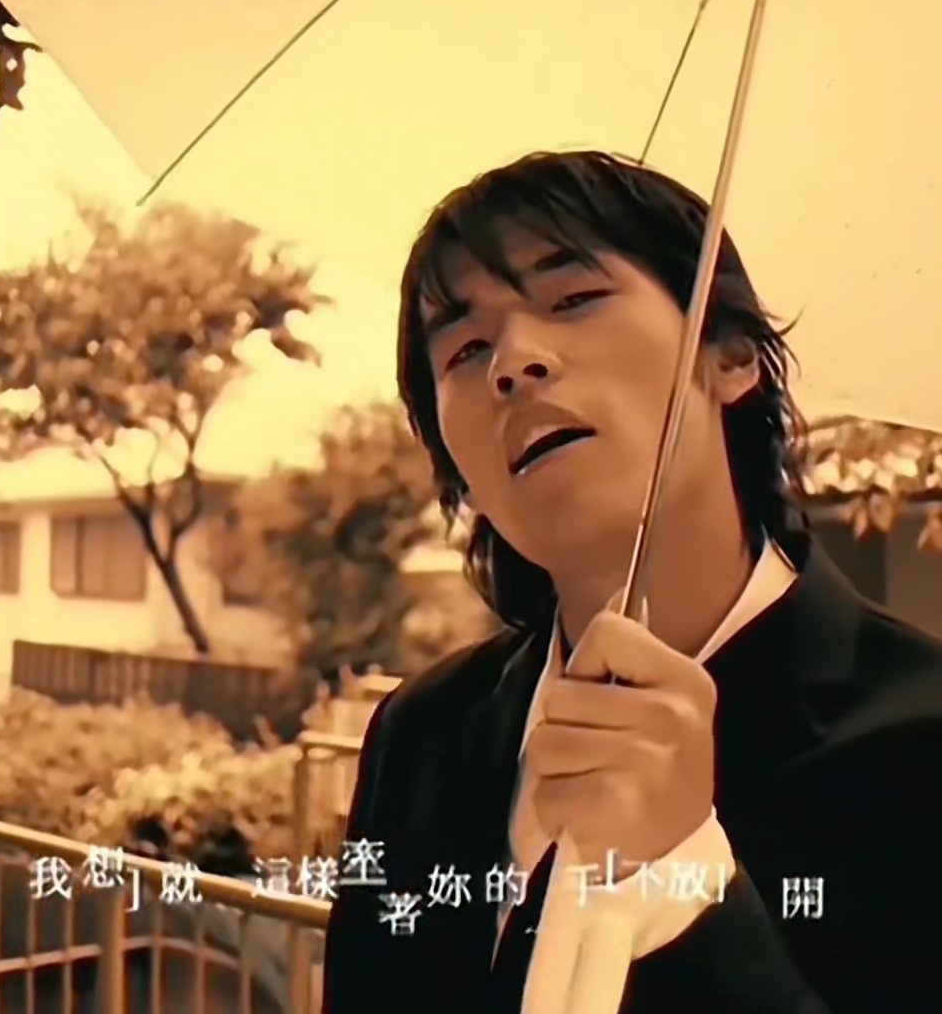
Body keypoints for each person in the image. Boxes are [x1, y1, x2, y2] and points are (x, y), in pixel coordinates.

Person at [321, 150, 942, 1014]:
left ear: (729, 353)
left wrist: (676, 874)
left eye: (573, 299)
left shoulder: (918, 736)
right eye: (464, 348)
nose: (512, 362)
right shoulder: (419, 735)